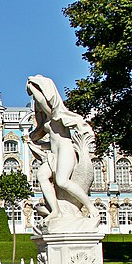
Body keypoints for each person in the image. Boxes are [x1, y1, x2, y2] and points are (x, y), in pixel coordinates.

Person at [26, 74, 96, 222]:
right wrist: (30, 140)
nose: (37, 104)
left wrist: (32, 86)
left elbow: (44, 103)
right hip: (54, 153)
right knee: (41, 176)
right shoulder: (46, 123)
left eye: (38, 101)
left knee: (62, 181)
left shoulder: (57, 116)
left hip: (65, 151)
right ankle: (55, 210)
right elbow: (38, 138)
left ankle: (90, 206)